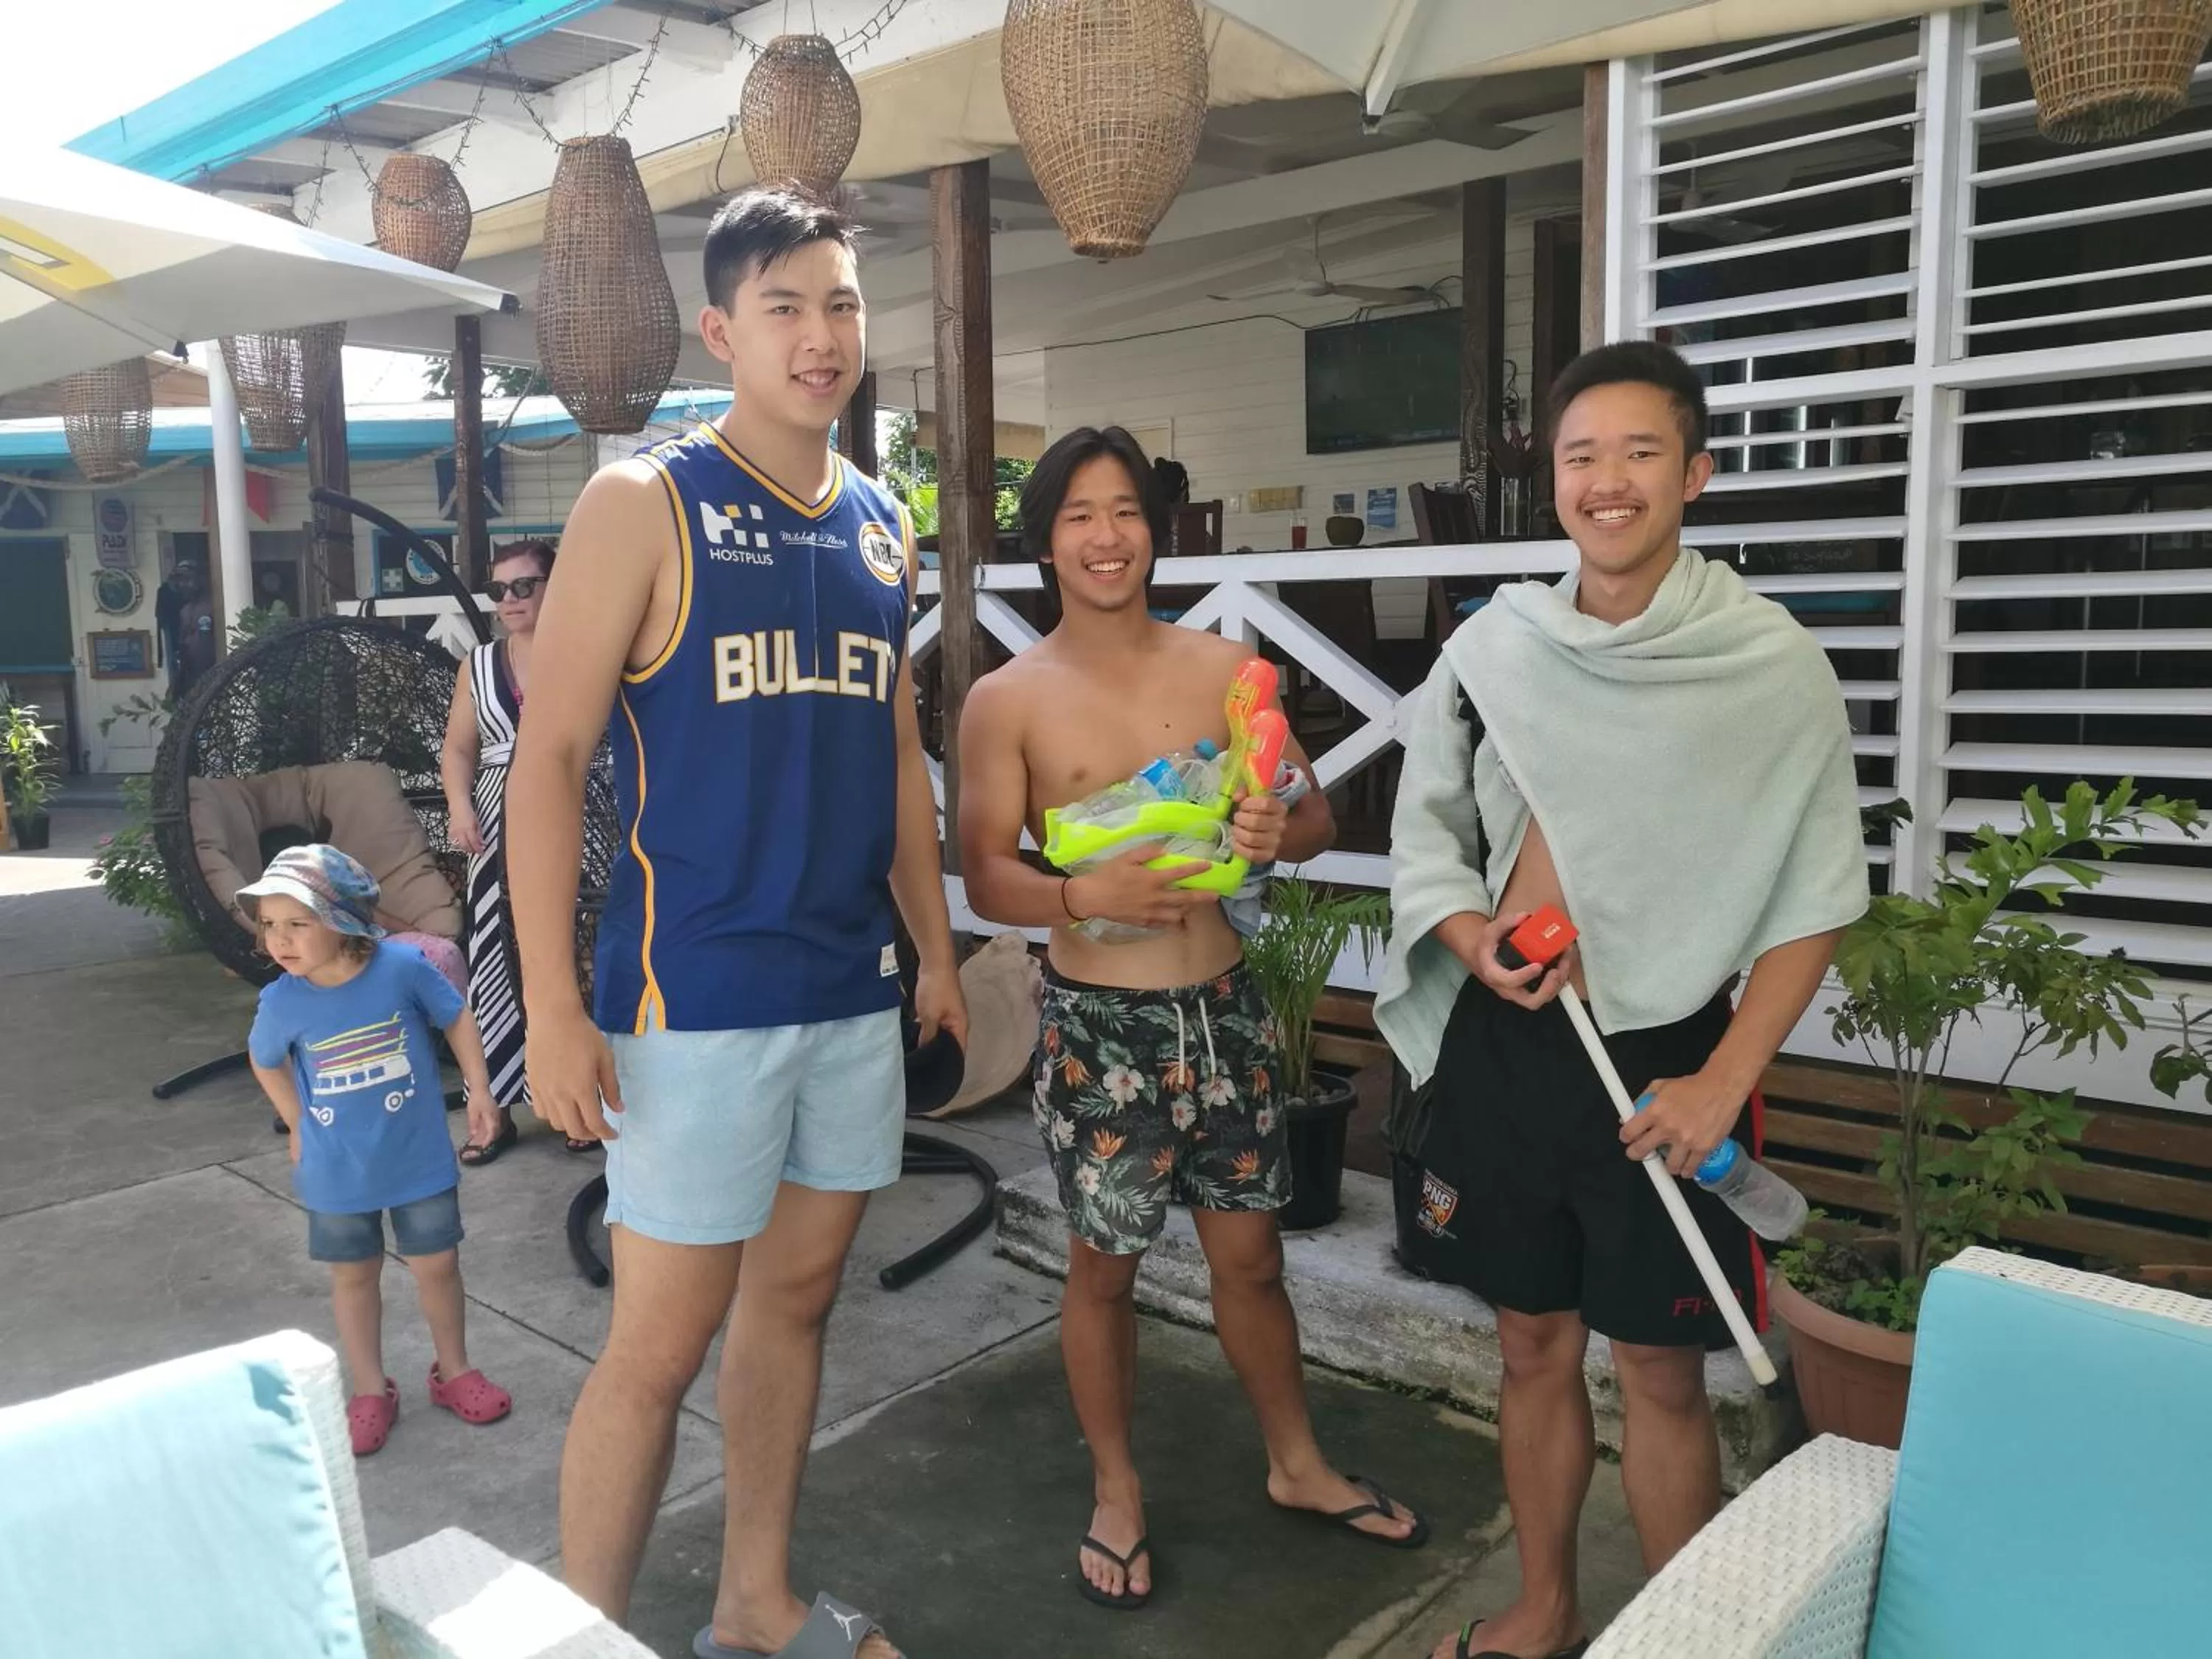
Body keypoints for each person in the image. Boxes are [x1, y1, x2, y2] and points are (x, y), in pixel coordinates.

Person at [505, 185, 964, 1659]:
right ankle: (585, 1633)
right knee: (656, 1345)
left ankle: (754, 1605)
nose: (821, 335)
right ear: (720, 330)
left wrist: (939, 949)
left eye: (841, 304)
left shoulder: (886, 526)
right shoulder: (645, 503)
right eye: (786, 306)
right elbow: (550, 759)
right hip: (687, 1001)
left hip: (849, 986)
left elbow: (895, 753)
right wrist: (558, 1008)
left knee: (802, 1300)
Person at [1375, 341, 1869, 1659]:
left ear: (1695, 474)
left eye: (1641, 453)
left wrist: (1723, 1083)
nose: (1608, 482)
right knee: (1529, 1345)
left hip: (1668, 1060)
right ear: (1555, 480)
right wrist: (1472, 933)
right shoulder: (1500, 647)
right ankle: (1545, 1612)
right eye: (1582, 456)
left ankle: (1685, 1641)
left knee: (1660, 1372)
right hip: (1512, 1041)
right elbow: (1426, 827)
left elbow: (1815, 897)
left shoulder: (1767, 664)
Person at [958, 425, 1429, 1613]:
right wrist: (1082, 892)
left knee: (1253, 1259)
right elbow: (985, 879)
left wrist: (1280, 828)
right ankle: (1116, 1487)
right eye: (1078, 515)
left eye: (1125, 511)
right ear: (1047, 541)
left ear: (1154, 532)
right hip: (1098, 1029)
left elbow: (1309, 814)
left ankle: (1297, 1462)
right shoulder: (1005, 699)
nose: (1105, 536)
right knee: (1103, 1271)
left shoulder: (1225, 666)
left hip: (1221, 1010)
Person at [242, 844, 514, 1458]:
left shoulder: (402, 968)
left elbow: (457, 1016)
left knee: (437, 1267)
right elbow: (265, 1062)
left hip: (416, 1158)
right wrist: (297, 1123)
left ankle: (454, 1372)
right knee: (354, 1276)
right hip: (336, 1172)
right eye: (268, 925)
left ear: (341, 922)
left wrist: (480, 1089)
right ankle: (369, 1388)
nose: (278, 940)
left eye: (296, 923)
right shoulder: (283, 1000)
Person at [439, 538, 594, 1161]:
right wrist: (459, 807)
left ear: (557, 584)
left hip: (583, 813)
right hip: (497, 822)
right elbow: (457, 749)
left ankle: (581, 1100)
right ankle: (495, 1105)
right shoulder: (478, 664)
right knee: (493, 956)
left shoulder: (590, 651)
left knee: (579, 954)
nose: (508, 600)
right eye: (498, 589)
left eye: (523, 586)